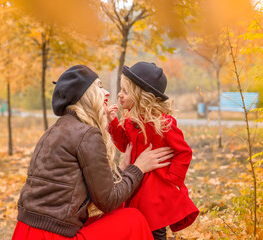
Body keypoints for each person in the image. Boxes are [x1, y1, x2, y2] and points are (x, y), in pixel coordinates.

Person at [13, 65, 174, 240]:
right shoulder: (86, 134)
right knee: (133, 218)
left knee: (117, 214)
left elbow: (98, 188)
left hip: (27, 232)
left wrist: (123, 167)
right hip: (52, 235)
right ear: (85, 94)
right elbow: (108, 201)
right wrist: (138, 168)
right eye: (99, 86)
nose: (106, 93)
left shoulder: (57, 129)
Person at [107, 61, 199, 240]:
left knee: (155, 227)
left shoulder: (162, 123)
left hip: (155, 189)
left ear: (140, 95)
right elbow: (126, 146)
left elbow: (184, 152)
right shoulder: (130, 121)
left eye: (125, 91)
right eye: (120, 90)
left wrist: (171, 179)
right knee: (139, 225)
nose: (119, 95)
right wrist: (113, 123)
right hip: (137, 183)